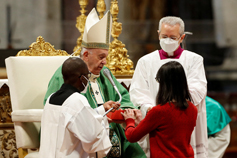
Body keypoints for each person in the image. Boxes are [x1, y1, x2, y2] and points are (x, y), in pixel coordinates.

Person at [43, 8, 146, 158]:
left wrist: (126, 110)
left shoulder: (105, 73)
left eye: (106, 57)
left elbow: (123, 97)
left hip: (107, 130)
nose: (104, 62)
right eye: (101, 57)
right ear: (86, 54)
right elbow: (57, 113)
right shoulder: (65, 73)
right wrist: (102, 117)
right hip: (77, 137)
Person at [129, 16, 208, 158]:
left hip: (182, 118)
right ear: (158, 34)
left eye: (172, 37)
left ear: (182, 37)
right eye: (164, 36)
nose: (167, 40)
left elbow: (198, 88)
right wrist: (149, 108)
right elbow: (137, 90)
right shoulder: (145, 61)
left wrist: (172, 107)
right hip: (156, 120)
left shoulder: (194, 60)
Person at [39, 57, 119, 157]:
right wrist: (102, 122)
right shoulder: (77, 100)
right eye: (87, 75)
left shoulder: (51, 98)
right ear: (82, 78)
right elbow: (91, 138)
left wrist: (102, 110)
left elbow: (74, 119)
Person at [122, 61, 198, 158]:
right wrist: (142, 122)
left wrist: (129, 120)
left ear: (164, 84)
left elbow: (132, 137)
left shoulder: (159, 111)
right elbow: (169, 131)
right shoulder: (192, 108)